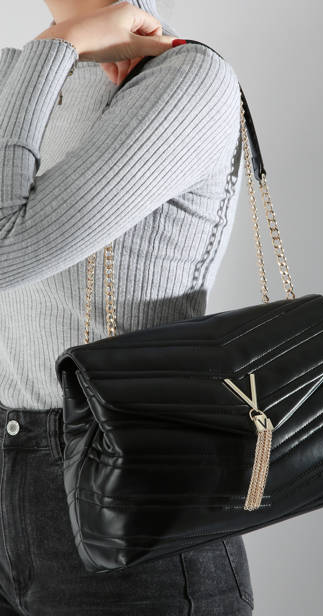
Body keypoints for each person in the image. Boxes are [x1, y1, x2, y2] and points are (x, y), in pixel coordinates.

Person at [0, 0, 254, 613]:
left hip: (130, 498)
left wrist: (57, 46)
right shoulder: (15, 73)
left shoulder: (184, 77)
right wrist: (58, 46)